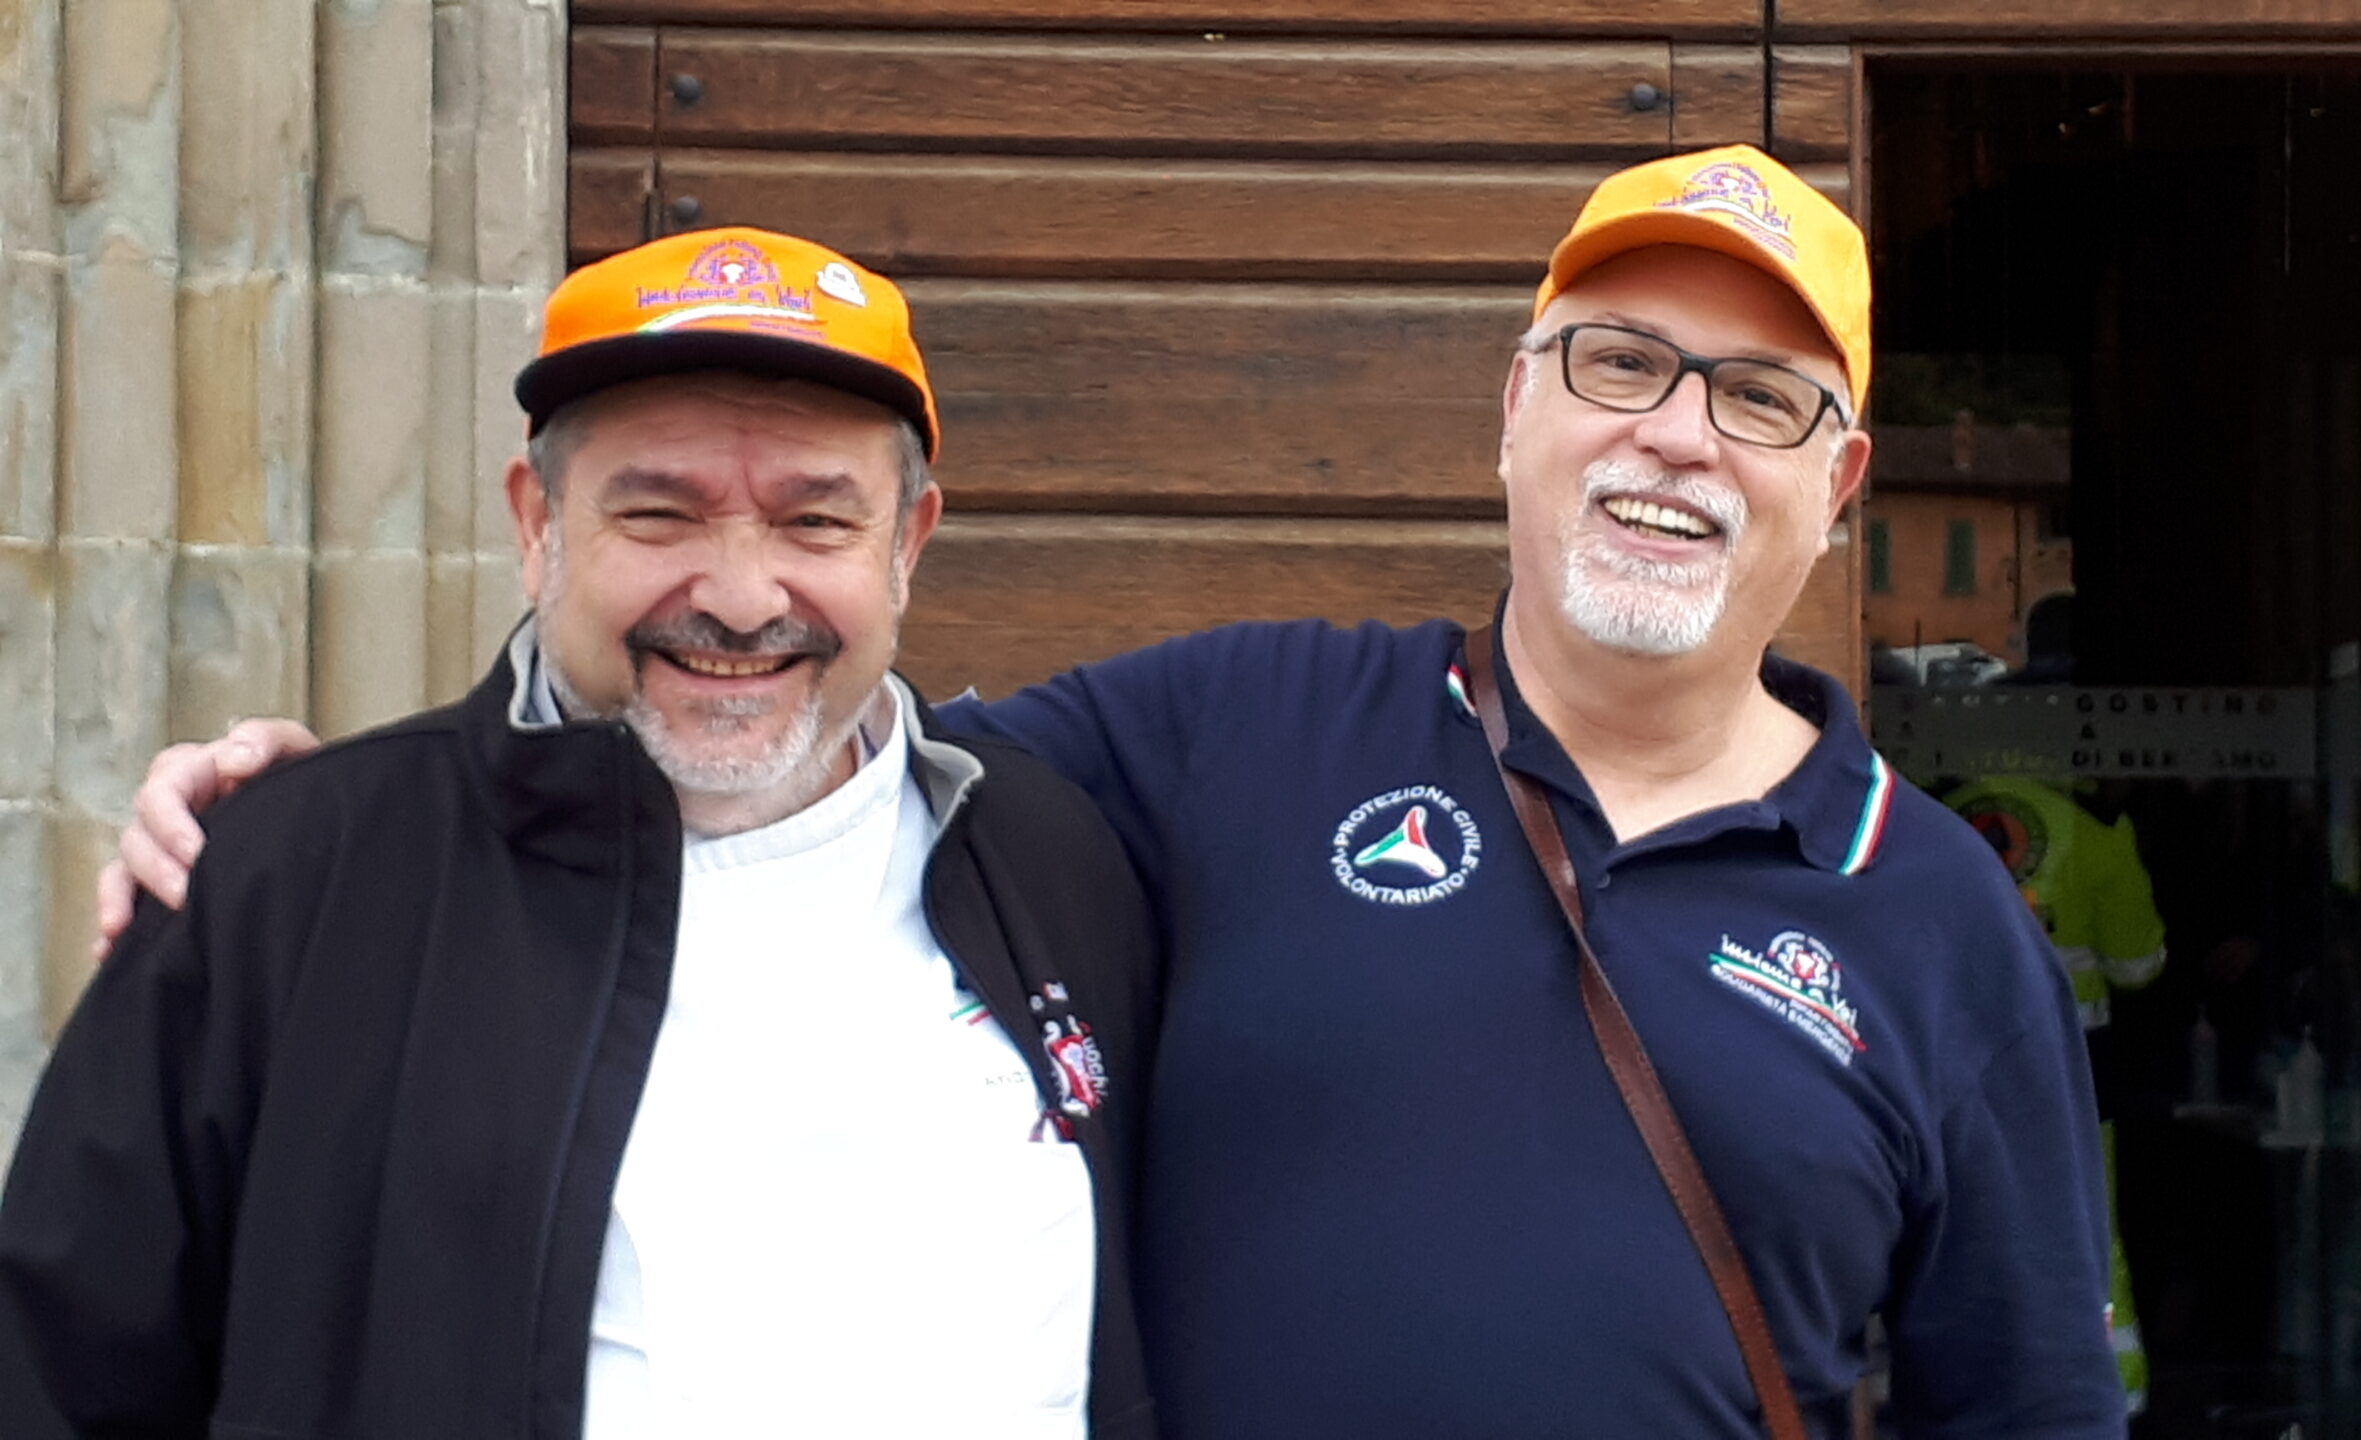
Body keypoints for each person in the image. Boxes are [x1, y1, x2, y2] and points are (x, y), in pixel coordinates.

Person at [100, 147, 2124, 1436]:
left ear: (1838, 485)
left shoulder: (1940, 919)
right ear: (1516, 408)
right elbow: (770, 738)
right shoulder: (1236, 734)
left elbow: (2024, 1408)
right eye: (1619, 365)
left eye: (1760, 398)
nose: (1675, 436)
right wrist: (350, 820)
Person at [8, 229, 1162, 1439]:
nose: (741, 597)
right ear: (537, 524)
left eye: (816, 523)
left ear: (907, 544)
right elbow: (61, 1378)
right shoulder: (292, 884)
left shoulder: (1047, 859)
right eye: (660, 514)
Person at [1940, 772, 2168, 1414]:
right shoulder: (2095, 832)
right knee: (2085, 1229)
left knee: (1964, 1228)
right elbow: (2137, 966)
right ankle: (2112, 1395)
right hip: (2073, 1071)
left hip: (1957, 1067)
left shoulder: (1933, 810)